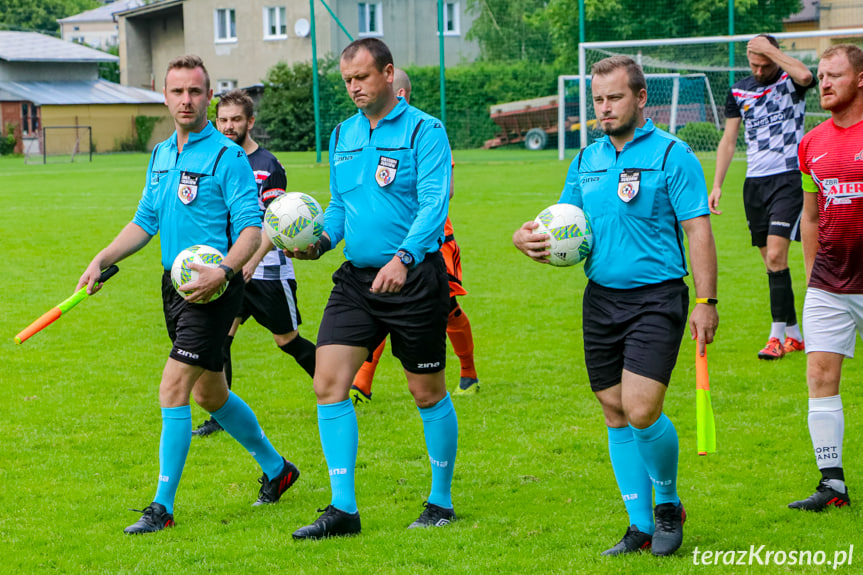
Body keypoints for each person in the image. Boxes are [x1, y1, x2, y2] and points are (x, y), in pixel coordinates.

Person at [76, 55, 299, 535]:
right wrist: (103, 257)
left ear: (209, 96)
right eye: (177, 91)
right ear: (164, 94)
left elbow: (250, 231)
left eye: (195, 92)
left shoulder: (228, 157)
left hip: (214, 291)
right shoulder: (160, 154)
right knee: (210, 392)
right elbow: (145, 221)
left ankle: (162, 507)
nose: (185, 100)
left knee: (173, 387)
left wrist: (223, 272)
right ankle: (279, 470)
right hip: (174, 289)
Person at [513, 56, 718, 557]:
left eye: (614, 98)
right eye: (598, 100)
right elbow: (560, 223)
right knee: (613, 410)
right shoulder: (585, 160)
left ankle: (668, 505)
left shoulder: (674, 155)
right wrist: (526, 237)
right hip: (601, 298)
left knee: (642, 409)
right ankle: (638, 524)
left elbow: (698, 231)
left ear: (641, 97)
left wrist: (707, 301)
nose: (604, 109)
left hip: (658, 296)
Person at [287, 38, 457, 539]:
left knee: (425, 392)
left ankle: (441, 501)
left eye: (362, 77)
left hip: (415, 278)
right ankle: (343, 510)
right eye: (346, 80)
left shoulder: (426, 131)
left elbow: (433, 203)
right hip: (358, 280)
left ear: (387, 74)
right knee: (327, 384)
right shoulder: (344, 134)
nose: (354, 87)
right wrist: (319, 243)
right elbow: (340, 207)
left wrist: (404, 258)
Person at [190, 89, 317, 437]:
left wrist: (253, 259)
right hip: (228, 268)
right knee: (220, 339)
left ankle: (334, 386)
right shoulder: (218, 160)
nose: (229, 126)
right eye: (223, 119)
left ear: (250, 122)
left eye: (236, 120)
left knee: (287, 341)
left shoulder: (268, 165)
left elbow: (273, 220)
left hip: (266, 271)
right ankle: (219, 416)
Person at [349, 68, 480, 405]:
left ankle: (468, 372)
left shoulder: (425, 133)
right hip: (384, 245)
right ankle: (361, 382)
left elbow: (444, 193)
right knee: (379, 302)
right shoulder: (362, 135)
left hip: (434, 242)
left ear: (400, 93)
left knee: (448, 309)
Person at [788, 43, 863, 512]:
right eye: (821, 75)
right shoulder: (811, 143)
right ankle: (832, 484)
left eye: (835, 74)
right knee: (819, 376)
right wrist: (813, 276)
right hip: (829, 284)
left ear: (860, 80)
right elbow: (811, 218)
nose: (824, 82)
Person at [710, 34, 815, 360]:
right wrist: (717, 185)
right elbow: (729, 140)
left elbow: (806, 77)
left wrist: (770, 50)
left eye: (763, 63)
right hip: (754, 184)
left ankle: (775, 337)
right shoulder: (739, 90)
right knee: (774, 266)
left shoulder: (790, 81)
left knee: (775, 258)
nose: (757, 70)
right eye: (753, 64)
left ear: (774, 56)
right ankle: (796, 335)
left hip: (788, 178)